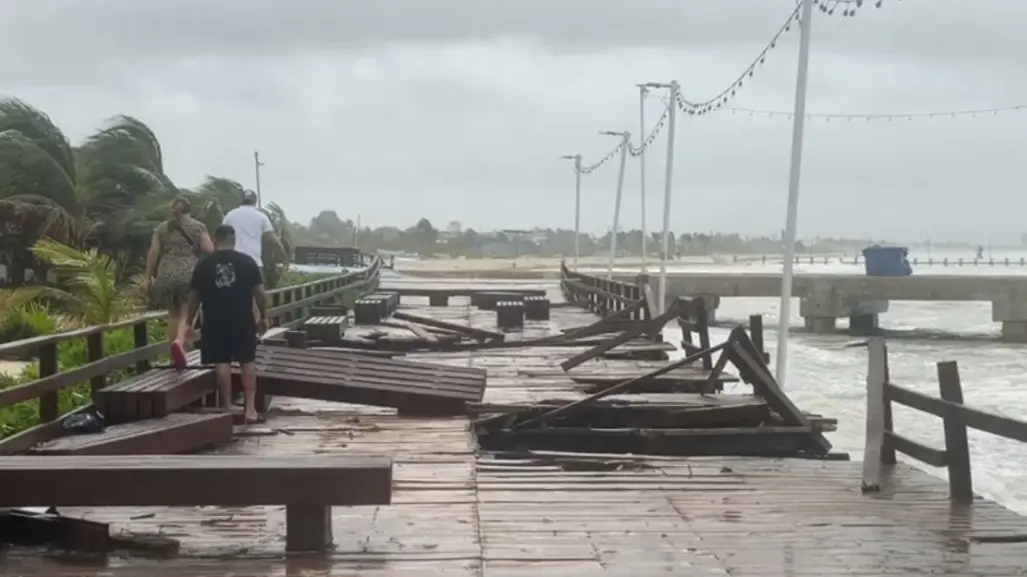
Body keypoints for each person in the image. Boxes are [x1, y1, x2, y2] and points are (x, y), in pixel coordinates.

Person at [186, 224, 268, 424]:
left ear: (215, 239)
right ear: (234, 240)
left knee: (221, 362)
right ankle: (250, 409)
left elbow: (193, 298)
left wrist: (189, 322)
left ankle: (226, 408)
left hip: (214, 319)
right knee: (247, 361)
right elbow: (260, 293)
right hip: (242, 318)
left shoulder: (204, 265)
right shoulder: (247, 262)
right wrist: (264, 316)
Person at [145, 196, 213, 369]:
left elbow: (153, 252)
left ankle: (173, 357)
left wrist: (148, 276)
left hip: (165, 275)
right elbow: (209, 249)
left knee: (173, 315)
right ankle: (180, 344)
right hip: (189, 274)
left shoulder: (161, 228)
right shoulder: (198, 226)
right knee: (186, 313)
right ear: (190, 210)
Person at [222, 189, 288, 274]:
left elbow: (221, 236)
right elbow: (273, 239)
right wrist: (284, 257)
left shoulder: (229, 215)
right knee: (256, 286)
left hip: (232, 261)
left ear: (241, 200)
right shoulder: (261, 217)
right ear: (255, 202)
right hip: (254, 262)